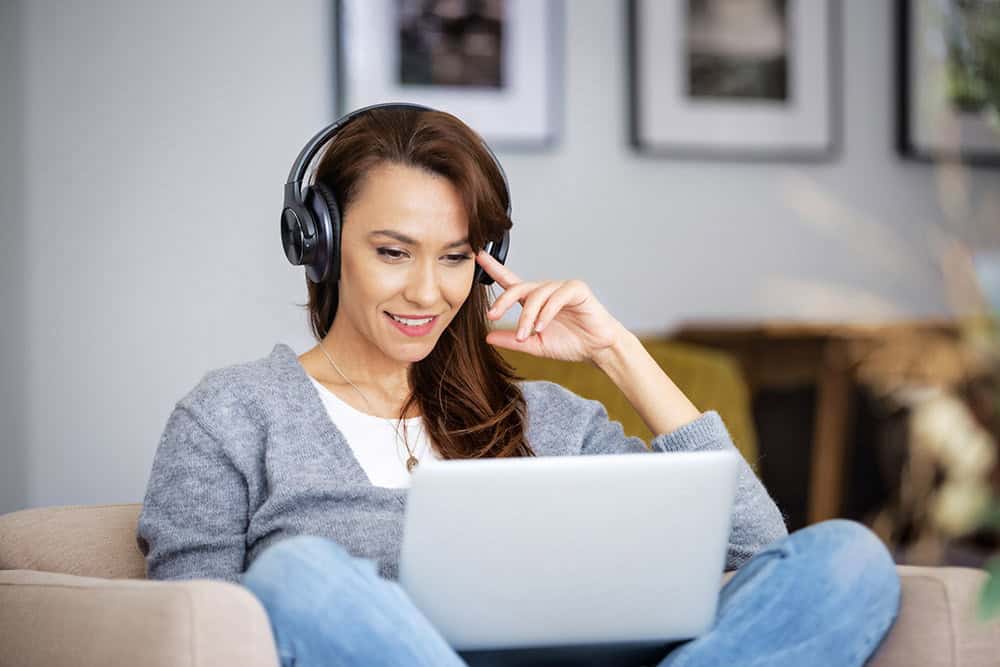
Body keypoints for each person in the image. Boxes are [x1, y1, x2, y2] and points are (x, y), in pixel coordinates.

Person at [136, 105, 901, 666]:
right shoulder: (229, 416)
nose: (429, 293)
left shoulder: (550, 416)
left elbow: (758, 553)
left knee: (849, 559)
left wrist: (617, 351)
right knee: (297, 577)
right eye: (394, 252)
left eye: (455, 257)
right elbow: (198, 630)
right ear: (323, 245)